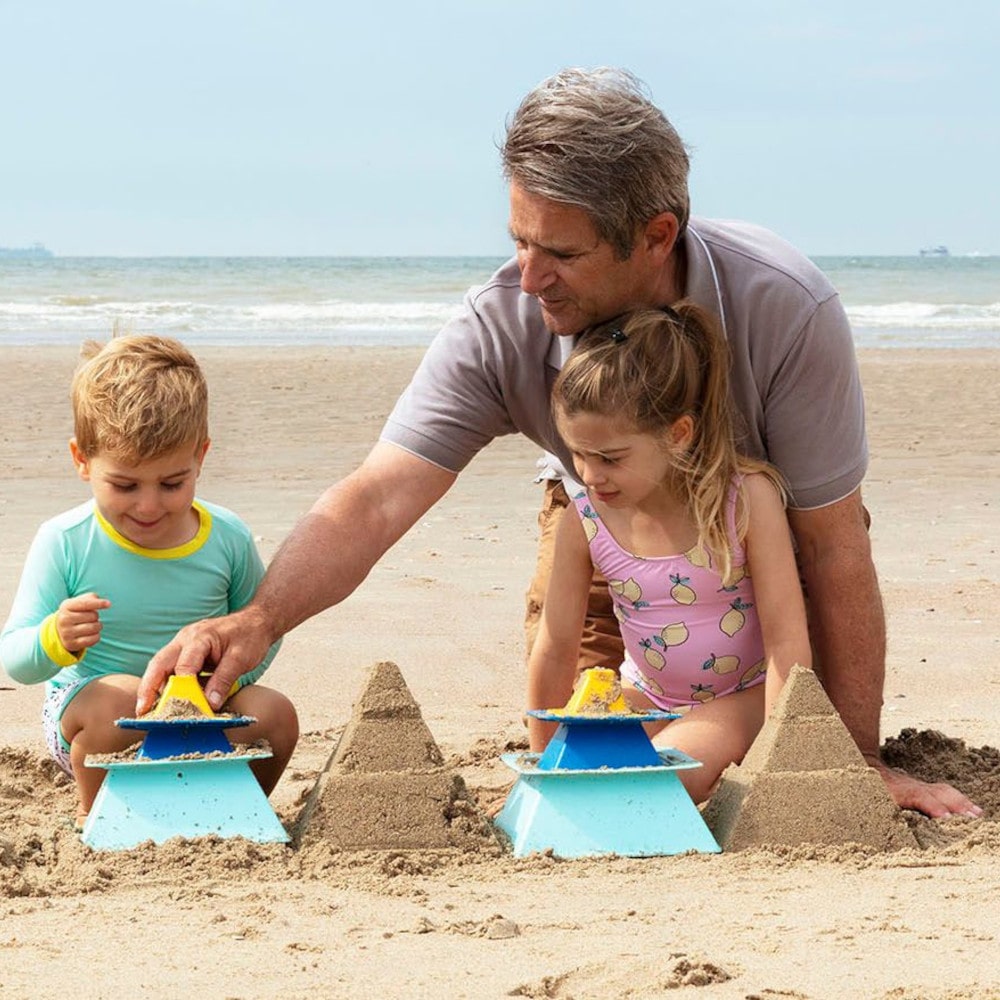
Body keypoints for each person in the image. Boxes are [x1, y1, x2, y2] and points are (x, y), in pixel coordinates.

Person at [138, 67, 979, 819]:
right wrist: (257, 617)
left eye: (562, 253)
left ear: (657, 235)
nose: (529, 277)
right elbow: (379, 495)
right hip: (607, 524)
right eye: (518, 240)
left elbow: (833, 546)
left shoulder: (786, 306)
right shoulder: (503, 321)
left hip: (753, 524)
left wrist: (852, 759)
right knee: (598, 746)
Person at [0, 335, 299, 828]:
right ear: (81, 460)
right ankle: (99, 817)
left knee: (276, 713)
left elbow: (263, 634)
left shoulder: (226, 537)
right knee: (119, 695)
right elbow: (15, 660)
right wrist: (55, 637)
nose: (148, 506)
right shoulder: (66, 540)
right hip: (93, 719)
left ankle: (234, 812)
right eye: (124, 485)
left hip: (202, 709)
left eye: (172, 483)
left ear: (201, 457)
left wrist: (221, 683)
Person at [527, 305, 811, 802]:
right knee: (588, 773)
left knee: (661, 778)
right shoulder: (585, 519)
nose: (590, 475)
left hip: (739, 698)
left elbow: (787, 640)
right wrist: (543, 767)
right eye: (577, 455)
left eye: (610, 458)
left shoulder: (745, 500)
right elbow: (554, 648)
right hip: (644, 696)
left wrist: (779, 753)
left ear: (677, 434)